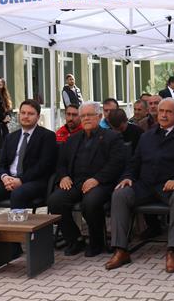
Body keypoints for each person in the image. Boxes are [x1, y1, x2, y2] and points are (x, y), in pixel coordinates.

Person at [106, 98, 174, 273]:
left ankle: (172, 251)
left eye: (168, 112)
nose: (163, 115)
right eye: (161, 111)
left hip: (171, 187)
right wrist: (127, 177)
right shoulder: (146, 136)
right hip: (146, 185)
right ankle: (121, 250)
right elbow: (134, 162)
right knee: (120, 193)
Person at [0, 100, 56, 255]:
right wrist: (4, 177)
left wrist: (20, 181)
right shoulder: (11, 137)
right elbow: (1, 164)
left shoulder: (47, 136)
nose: (26, 116)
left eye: (30, 114)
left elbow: (44, 165)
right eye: (23, 113)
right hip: (8, 180)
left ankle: (15, 246)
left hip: (33, 182)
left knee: (17, 194)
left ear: (37, 117)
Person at [48, 101, 124, 257]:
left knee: (90, 202)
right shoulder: (73, 139)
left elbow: (116, 164)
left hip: (101, 183)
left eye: (90, 115)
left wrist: (97, 179)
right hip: (75, 182)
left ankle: (97, 242)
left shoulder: (112, 137)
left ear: (100, 116)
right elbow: (61, 163)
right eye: (83, 116)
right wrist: (63, 176)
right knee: (55, 201)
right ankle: (74, 239)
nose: (86, 118)